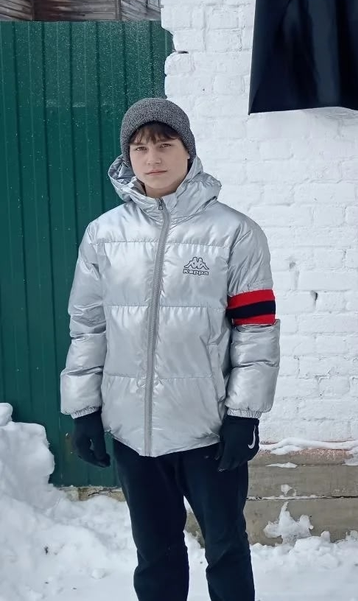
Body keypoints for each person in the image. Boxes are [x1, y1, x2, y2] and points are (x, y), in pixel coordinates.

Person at [60, 98, 281, 601]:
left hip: (208, 430)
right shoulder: (104, 235)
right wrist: (84, 411)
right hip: (134, 435)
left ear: (188, 151)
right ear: (127, 157)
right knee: (155, 555)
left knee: (226, 548)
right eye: (140, 148)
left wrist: (244, 415)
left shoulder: (234, 233)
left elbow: (256, 329)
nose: (153, 157)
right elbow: (88, 327)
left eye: (164, 144)